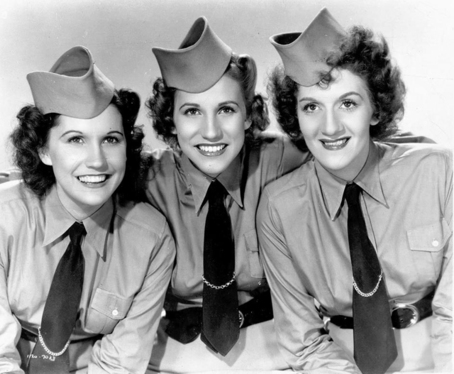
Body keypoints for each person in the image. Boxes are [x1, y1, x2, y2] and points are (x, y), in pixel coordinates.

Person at [257, 8, 452, 374]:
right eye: (311, 106)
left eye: (348, 103)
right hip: (338, 363)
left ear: (375, 109)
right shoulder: (279, 208)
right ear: (294, 116)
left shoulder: (440, 173)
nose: (330, 127)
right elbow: (302, 341)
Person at [142, 16, 311, 373]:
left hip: (273, 348)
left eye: (226, 110)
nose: (211, 131)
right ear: (171, 121)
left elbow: (362, 153)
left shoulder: (280, 159)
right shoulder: (146, 181)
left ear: (249, 116)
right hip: (176, 354)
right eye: (191, 111)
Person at [0, 46, 175, 374]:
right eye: (76, 139)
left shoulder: (152, 238)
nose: (97, 161)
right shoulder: (0, 219)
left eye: (111, 140)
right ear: (44, 150)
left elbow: (122, 361)